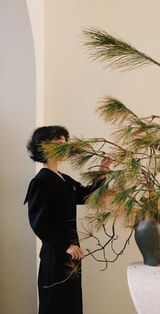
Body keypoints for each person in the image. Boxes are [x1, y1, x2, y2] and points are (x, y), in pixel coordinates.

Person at [24, 126, 110, 314]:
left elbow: (86, 196)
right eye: (58, 144)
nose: (64, 148)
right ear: (43, 147)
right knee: (55, 304)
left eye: (65, 144)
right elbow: (39, 224)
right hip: (55, 254)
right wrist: (66, 246)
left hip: (72, 253)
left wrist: (103, 170)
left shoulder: (63, 179)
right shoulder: (40, 182)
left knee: (71, 304)